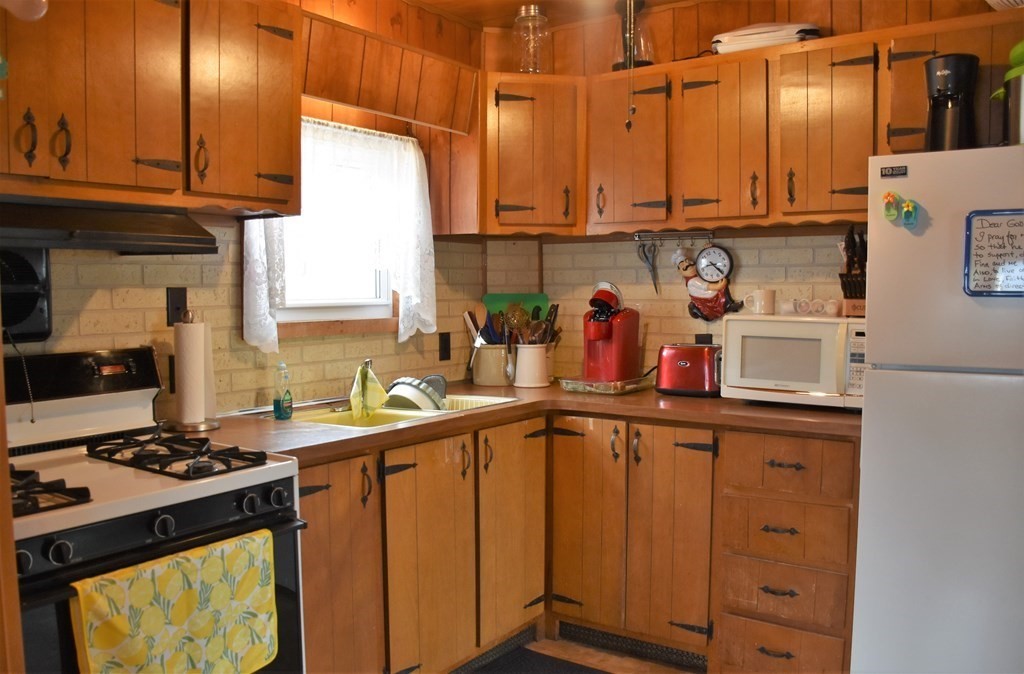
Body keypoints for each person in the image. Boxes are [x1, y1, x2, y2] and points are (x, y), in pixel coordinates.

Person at [672, 248, 742, 322]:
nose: (687, 264)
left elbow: (705, 257)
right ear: (679, 271)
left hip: (705, 295)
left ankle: (728, 305)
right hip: (707, 297)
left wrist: (708, 248)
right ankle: (728, 306)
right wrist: (720, 286)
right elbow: (708, 286)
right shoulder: (693, 281)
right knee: (722, 290)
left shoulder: (696, 277)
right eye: (682, 264)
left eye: (687, 261)